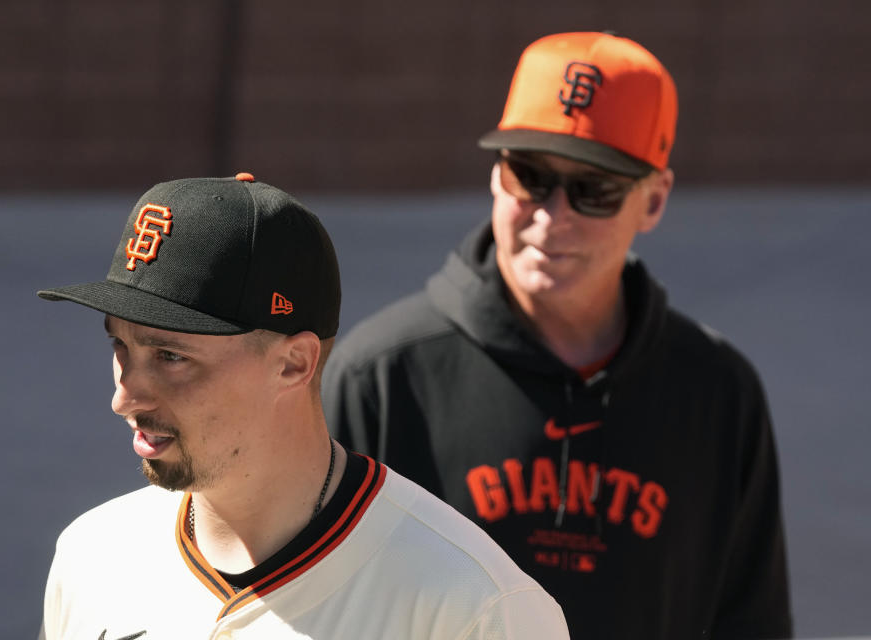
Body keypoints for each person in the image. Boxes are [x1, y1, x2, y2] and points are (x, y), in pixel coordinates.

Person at [323, 32, 792, 639]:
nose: (552, 216)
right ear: (497, 175)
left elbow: (751, 623)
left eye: (594, 190)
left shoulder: (718, 393)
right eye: (530, 175)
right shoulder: (381, 378)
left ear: (653, 201)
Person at [36, 174, 570, 640]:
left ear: (294, 364)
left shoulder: (474, 607)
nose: (124, 396)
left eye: (172, 356)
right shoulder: (91, 556)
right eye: (120, 347)